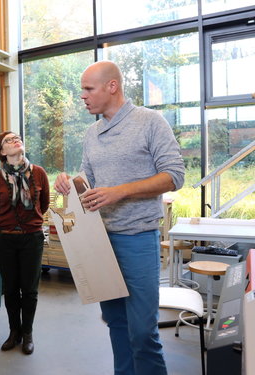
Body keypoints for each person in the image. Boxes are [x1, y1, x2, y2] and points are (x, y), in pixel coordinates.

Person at [54, 61, 185, 375]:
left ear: (111, 86)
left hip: (138, 240)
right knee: (115, 323)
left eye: (88, 89)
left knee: (142, 332)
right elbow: (91, 179)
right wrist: (70, 182)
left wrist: (120, 192)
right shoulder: (92, 133)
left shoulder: (150, 122)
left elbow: (175, 176)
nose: (83, 96)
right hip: (102, 243)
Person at [0, 131, 50, 355]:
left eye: (17, 138)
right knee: (11, 288)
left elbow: (43, 205)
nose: (16, 140)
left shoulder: (39, 173)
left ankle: (27, 334)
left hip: (32, 238)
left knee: (30, 289)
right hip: (5, 238)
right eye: (8, 140)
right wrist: (11, 223)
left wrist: (26, 224)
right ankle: (13, 332)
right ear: (3, 152)